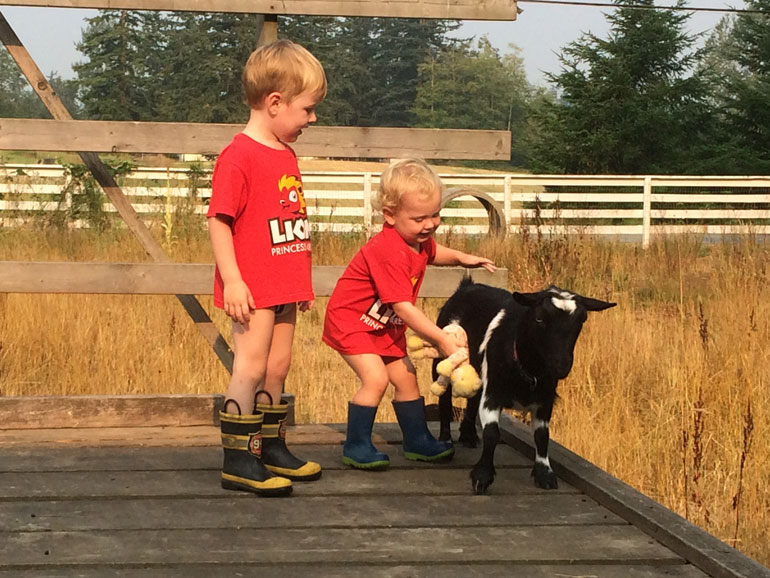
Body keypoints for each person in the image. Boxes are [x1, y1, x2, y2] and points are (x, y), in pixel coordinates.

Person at [207, 40, 326, 496]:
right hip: (253, 287)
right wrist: (233, 280)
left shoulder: (283, 153)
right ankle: (239, 458)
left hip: (285, 284)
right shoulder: (238, 156)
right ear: (275, 103)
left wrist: (300, 285)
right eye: (308, 109)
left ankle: (271, 447)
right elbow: (220, 222)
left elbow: (286, 222)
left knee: (278, 367)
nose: (312, 119)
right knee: (251, 368)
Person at [322, 158, 497, 469]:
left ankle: (417, 440)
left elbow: (435, 253)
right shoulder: (387, 251)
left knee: (406, 377)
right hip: (352, 322)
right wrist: (441, 338)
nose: (429, 224)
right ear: (390, 216)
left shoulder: (418, 241)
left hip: (382, 325)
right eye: (419, 218)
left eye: (435, 215)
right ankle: (356, 445)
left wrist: (462, 258)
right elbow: (403, 306)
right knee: (375, 379)